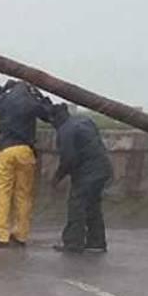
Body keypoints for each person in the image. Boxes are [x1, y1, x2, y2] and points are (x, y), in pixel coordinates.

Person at [0, 80, 53, 247]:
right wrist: (39, 94)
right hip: (25, 152)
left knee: (3, 194)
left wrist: (2, 88)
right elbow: (49, 113)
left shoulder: (4, 99)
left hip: (5, 151)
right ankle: (20, 234)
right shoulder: (31, 101)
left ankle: (1, 235)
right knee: (23, 195)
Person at [50, 104, 113, 253]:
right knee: (93, 205)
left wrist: (57, 177)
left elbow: (69, 159)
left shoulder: (65, 131)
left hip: (88, 172)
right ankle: (96, 242)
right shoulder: (84, 121)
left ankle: (73, 243)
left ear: (55, 119)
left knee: (77, 204)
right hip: (103, 168)